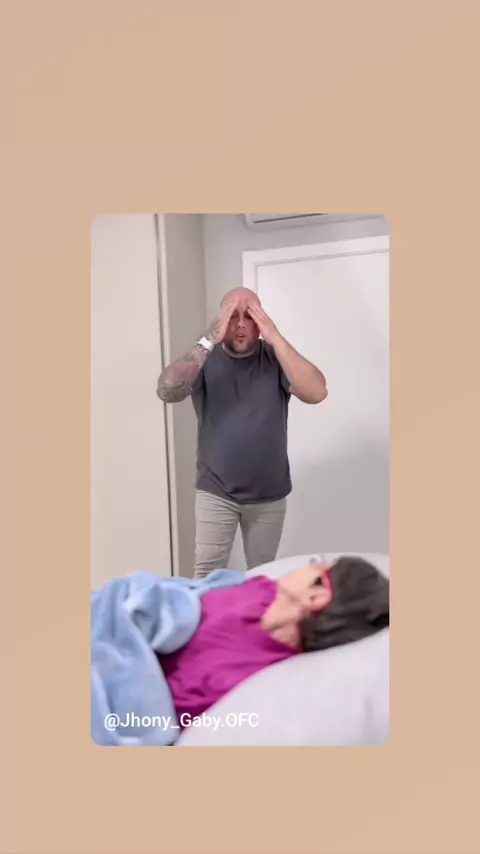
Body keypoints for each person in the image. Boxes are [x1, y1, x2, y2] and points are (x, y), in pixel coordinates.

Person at [157, 287, 328, 577]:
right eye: (231, 316)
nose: (239, 324)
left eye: (249, 316)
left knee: (263, 575)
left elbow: (317, 392)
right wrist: (209, 336)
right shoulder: (205, 358)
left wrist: (275, 337)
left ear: (261, 321)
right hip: (216, 490)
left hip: (268, 494)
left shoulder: (275, 358)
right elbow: (167, 390)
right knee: (206, 576)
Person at [157, 556, 390, 726]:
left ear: (316, 596)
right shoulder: (262, 588)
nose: (309, 564)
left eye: (319, 564)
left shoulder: (235, 678)